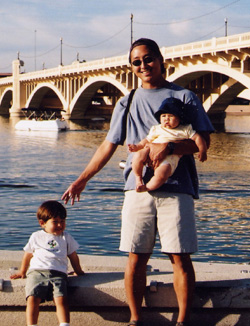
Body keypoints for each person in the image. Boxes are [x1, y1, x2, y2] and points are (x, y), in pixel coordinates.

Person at [62, 38, 214, 326]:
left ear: (160, 59)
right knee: (136, 256)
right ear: (131, 67)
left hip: (176, 188)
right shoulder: (126, 101)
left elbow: (202, 143)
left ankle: (182, 321)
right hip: (137, 188)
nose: (143, 65)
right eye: (136, 61)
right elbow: (108, 145)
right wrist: (82, 179)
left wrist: (168, 148)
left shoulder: (185, 98)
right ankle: (135, 319)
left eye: (148, 59)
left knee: (179, 257)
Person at [10, 200, 84, 326]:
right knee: (33, 299)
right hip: (36, 272)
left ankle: (64, 324)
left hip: (58, 273)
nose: (60, 225)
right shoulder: (36, 236)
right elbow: (27, 255)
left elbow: (73, 256)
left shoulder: (66, 237)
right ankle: (32, 324)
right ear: (42, 223)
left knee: (61, 299)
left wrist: (79, 271)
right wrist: (23, 271)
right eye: (55, 222)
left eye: (63, 221)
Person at [128, 97, 207, 192]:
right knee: (137, 156)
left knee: (162, 174)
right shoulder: (156, 129)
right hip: (150, 152)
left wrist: (203, 150)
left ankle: (147, 187)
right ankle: (138, 178)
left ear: (179, 118)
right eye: (163, 116)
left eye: (170, 116)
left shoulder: (185, 129)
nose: (166, 119)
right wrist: (137, 147)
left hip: (170, 157)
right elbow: (146, 140)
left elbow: (198, 138)